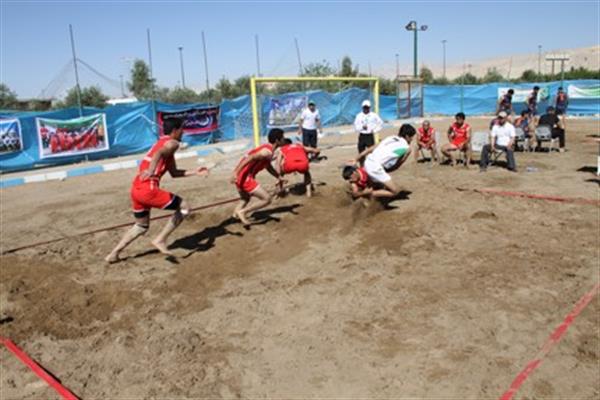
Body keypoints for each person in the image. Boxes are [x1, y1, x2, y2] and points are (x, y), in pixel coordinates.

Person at [105, 118, 208, 263]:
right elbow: (158, 154)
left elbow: (174, 173)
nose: (183, 132)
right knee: (184, 206)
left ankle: (114, 254)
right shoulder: (173, 143)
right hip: (149, 189)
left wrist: (195, 172)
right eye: (182, 129)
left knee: (141, 226)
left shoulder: (161, 143)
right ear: (175, 130)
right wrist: (151, 170)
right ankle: (161, 239)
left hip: (136, 189)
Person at [232, 128, 286, 225]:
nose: (284, 139)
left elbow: (268, 166)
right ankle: (243, 212)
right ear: (277, 140)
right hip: (244, 177)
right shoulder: (267, 152)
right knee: (267, 199)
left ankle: (236, 214)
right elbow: (251, 157)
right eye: (283, 138)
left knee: (245, 199)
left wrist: (278, 176)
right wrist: (236, 172)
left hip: (242, 176)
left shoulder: (268, 149)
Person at [351, 124, 415, 198]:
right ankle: (363, 194)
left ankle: (366, 193)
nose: (412, 139)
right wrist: (387, 171)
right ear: (407, 136)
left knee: (376, 184)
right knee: (395, 191)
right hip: (375, 167)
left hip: (368, 161)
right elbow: (397, 165)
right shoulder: (407, 148)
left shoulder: (391, 137)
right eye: (412, 137)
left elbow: (372, 148)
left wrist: (357, 158)